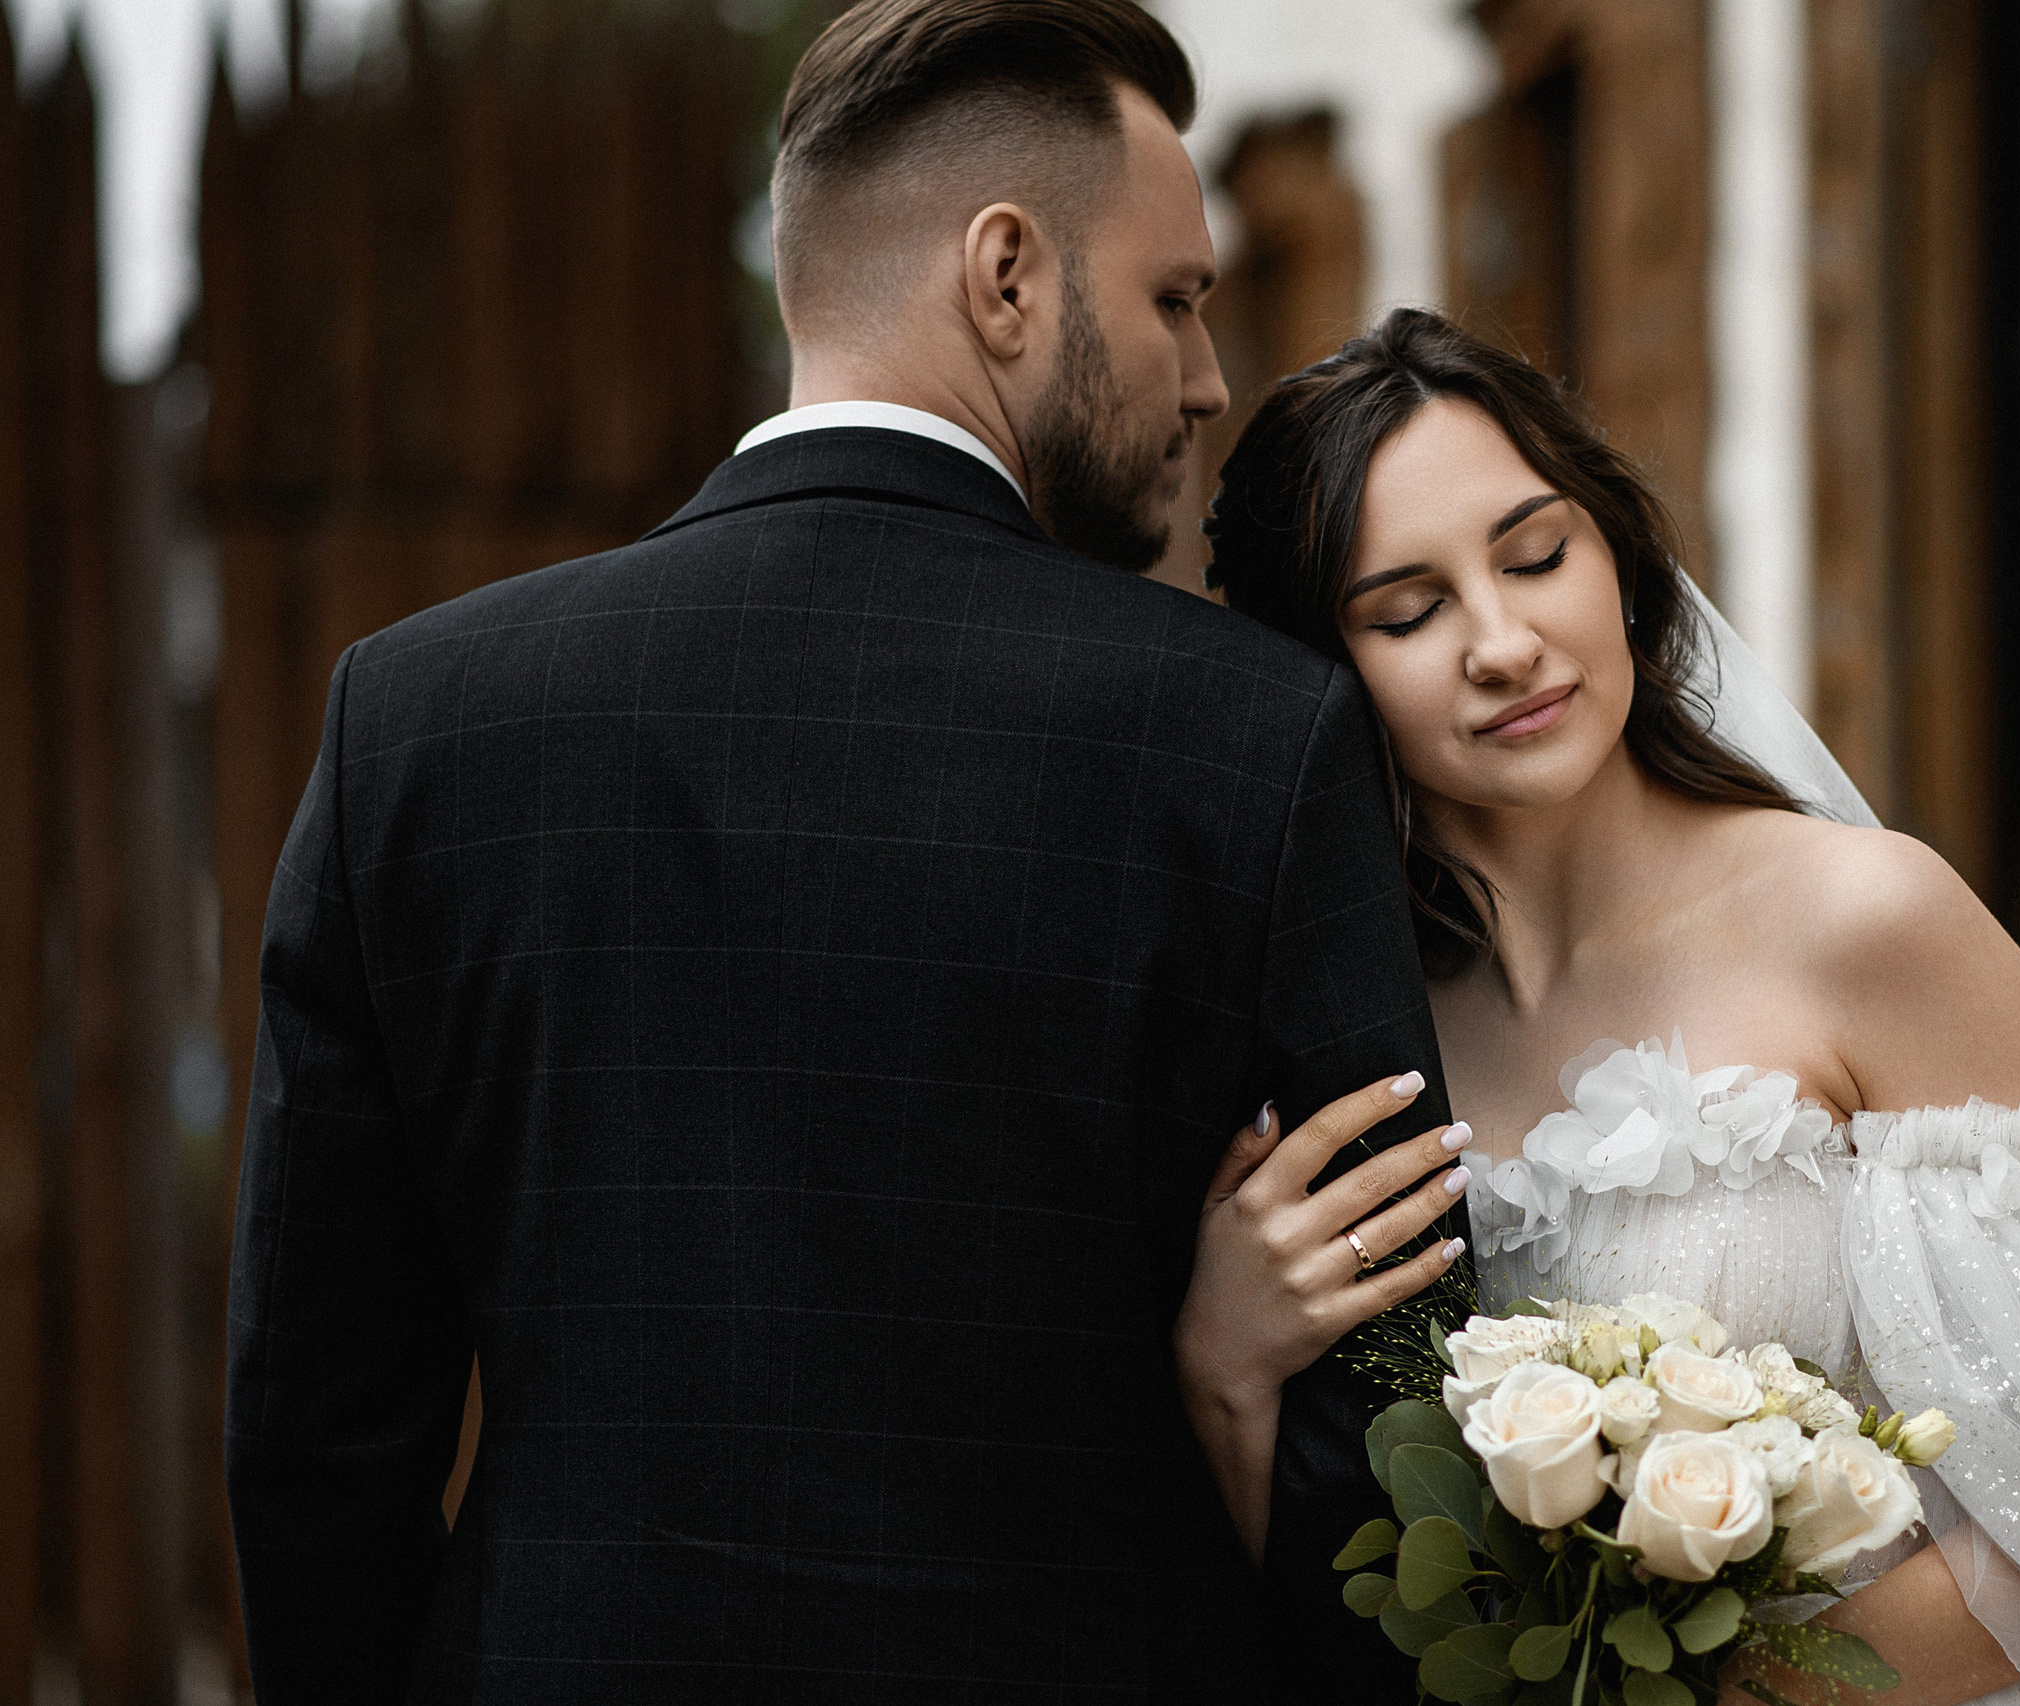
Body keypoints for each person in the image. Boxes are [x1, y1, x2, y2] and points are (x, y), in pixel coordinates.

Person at [222, 5, 1467, 1700]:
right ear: (1007, 275)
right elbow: (1391, 1425)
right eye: (1175, 298)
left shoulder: (420, 723)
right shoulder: (1253, 733)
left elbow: (317, 1439)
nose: (1206, 377)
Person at [1179, 308, 2020, 1706]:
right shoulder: (1363, 1038)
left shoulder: (1864, 921)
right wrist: (1224, 1362)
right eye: (1410, 611)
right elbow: (1337, 1597)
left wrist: (1730, 1687)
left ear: (1617, 558)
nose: (1504, 642)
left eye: (1537, 555)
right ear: (1323, 672)